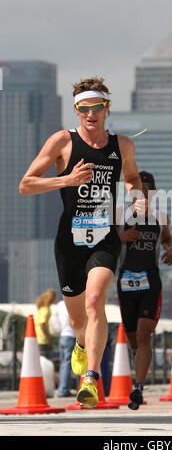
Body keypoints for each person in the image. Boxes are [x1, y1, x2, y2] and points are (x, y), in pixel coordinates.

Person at [19, 76, 144, 408]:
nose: (91, 113)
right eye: (84, 108)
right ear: (76, 110)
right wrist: (67, 179)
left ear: (106, 109)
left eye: (97, 107)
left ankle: (90, 378)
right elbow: (26, 184)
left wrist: (137, 198)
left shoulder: (123, 145)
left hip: (105, 237)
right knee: (77, 320)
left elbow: (132, 179)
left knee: (95, 302)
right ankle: (81, 343)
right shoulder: (62, 141)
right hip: (69, 241)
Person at [116, 171, 172, 410]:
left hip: (151, 281)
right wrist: (122, 237)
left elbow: (168, 240)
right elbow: (100, 242)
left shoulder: (161, 218)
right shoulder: (120, 215)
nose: (142, 194)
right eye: (138, 190)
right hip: (126, 281)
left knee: (144, 335)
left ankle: (137, 387)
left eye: (147, 190)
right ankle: (138, 359)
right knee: (133, 338)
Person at [57, 299, 76, 397]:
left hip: (63, 335)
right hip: (71, 336)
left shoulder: (60, 304)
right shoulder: (74, 302)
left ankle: (63, 388)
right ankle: (64, 390)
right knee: (69, 364)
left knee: (64, 364)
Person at [34, 288, 57, 359]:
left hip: (37, 337)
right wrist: (48, 337)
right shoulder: (46, 309)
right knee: (44, 358)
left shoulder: (42, 308)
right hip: (42, 338)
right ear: (52, 298)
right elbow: (42, 324)